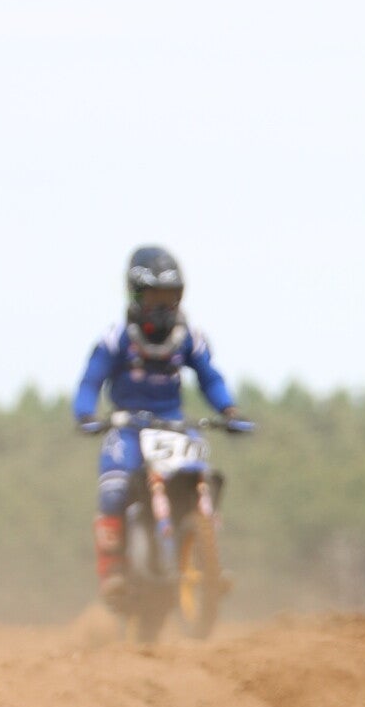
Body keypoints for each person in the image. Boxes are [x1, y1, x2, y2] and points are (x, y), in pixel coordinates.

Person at [74, 247, 243, 607]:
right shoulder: (116, 339)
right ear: (136, 295)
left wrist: (229, 410)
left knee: (203, 478)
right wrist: (86, 414)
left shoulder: (189, 338)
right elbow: (90, 381)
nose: (163, 307)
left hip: (174, 425)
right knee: (113, 488)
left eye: (170, 297)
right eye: (154, 297)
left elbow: (210, 378)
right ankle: (113, 571)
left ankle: (207, 560)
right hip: (128, 426)